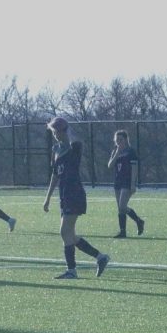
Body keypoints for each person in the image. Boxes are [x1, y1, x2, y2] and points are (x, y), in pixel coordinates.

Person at [42, 117, 109, 279]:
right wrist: (48, 197)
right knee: (70, 235)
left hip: (75, 193)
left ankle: (72, 271)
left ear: (64, 130)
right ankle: (100, 257)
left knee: (64, 231)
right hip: (64, 194)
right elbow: (55, 175)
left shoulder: (75, 146)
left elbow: (74, 141)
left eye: (58, 131)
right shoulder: (55, 149)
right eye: (54, 132)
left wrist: (67, 132)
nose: (56, 135)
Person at [107, 130, 145, 238]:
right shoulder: (115, 151)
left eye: (120, 140)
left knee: (122, 206)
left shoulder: (131, 151)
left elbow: (134, 168)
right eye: (116, 140)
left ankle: (138, 221)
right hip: (117, 181)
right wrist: (117, 153)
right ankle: (123, 231)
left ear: (126, 139)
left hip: (127, 182)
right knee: (120, 208)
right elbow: (110, 166)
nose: (118, 142)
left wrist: (133, 184)